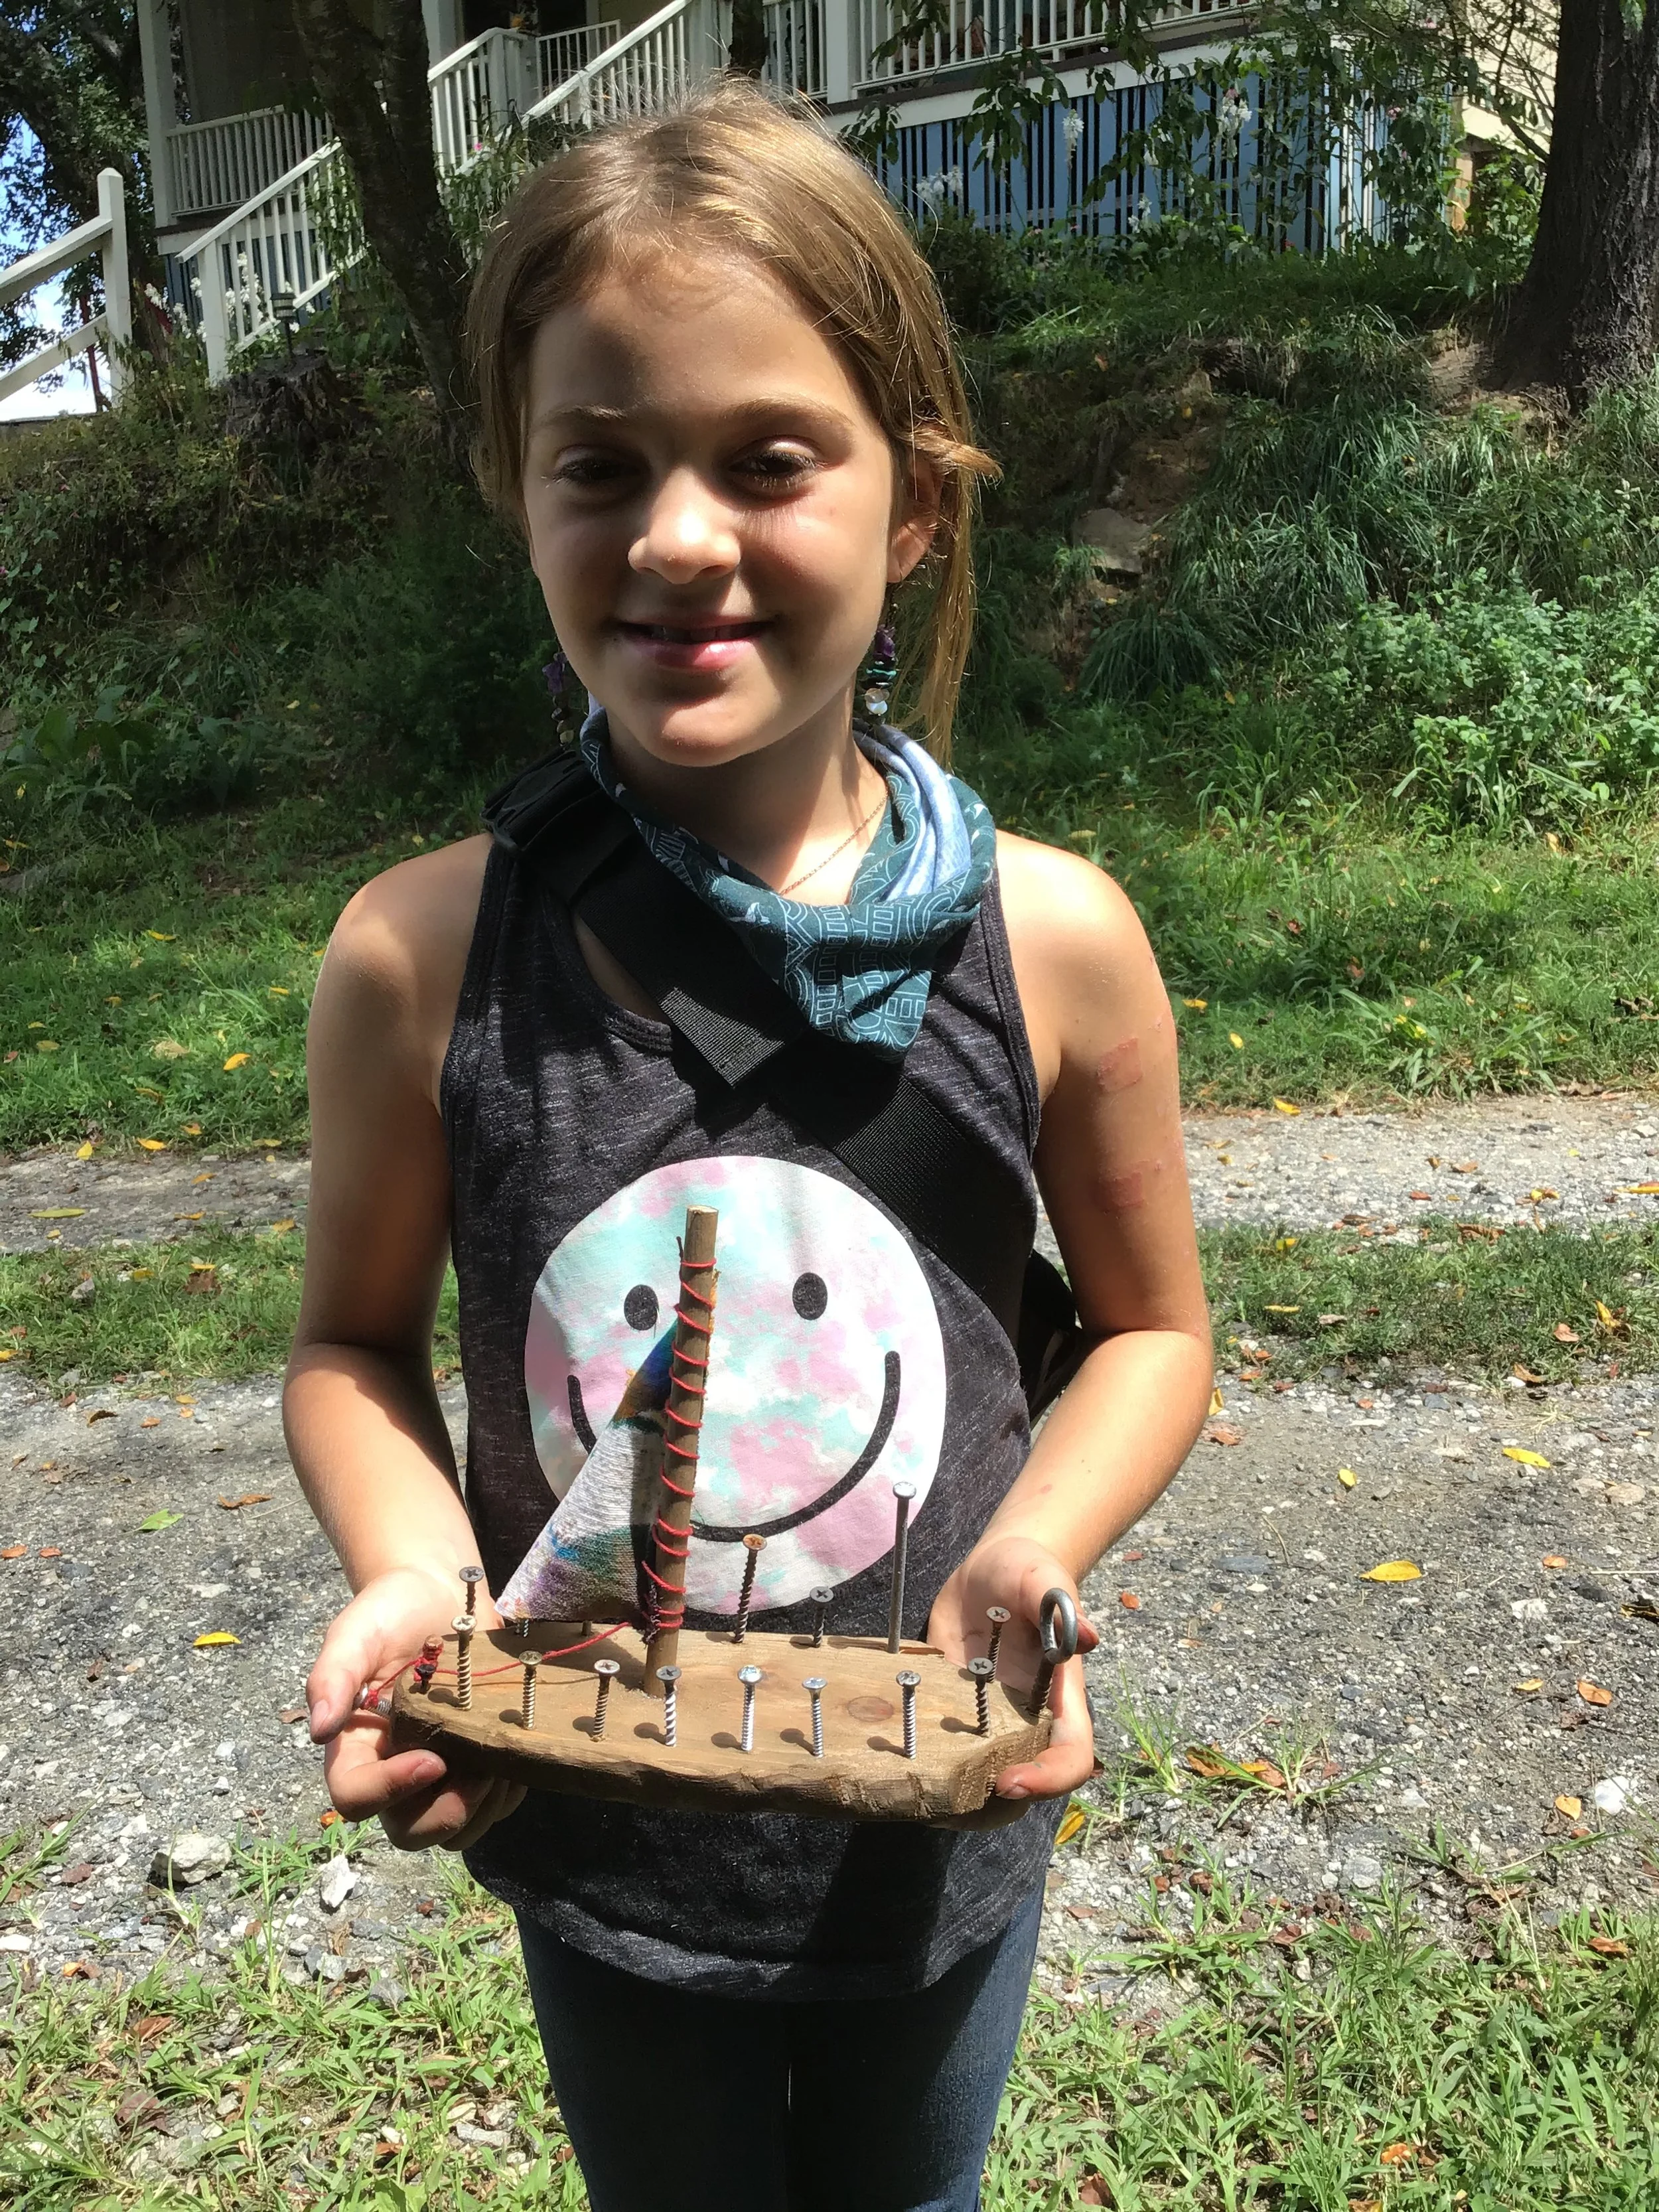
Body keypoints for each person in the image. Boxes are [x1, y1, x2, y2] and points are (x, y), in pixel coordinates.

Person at [286, 80, 1211, 2212]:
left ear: (913, 508)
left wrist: (1033, 1546)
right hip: (588, 1824)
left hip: (935, 1822)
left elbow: (1153, 1333)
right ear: (516, 500)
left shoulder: (1053, 944)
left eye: (769, 458)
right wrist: (420, 1569)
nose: (678, 533)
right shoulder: (415, 959)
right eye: (597, 465)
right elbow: (345, 1347)